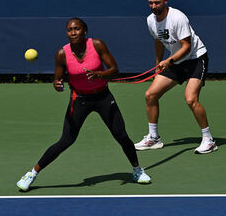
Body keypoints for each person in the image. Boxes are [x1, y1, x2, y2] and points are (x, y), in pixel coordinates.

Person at [17, 17, 151, 191]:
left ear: (85, 31)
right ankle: (31, 174)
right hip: (80, 100)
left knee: (121, 135)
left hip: (103, 97)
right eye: (70, 30)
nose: (73, 33)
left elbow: (114, 70)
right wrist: (57, 85)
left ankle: (137, 171)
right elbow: (58, 79)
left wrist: (100, 75)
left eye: (77, 29)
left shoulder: (97, 45)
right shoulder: (62, 54)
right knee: (66, 140)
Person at [134, 0, 218, 154]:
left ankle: (209, 140)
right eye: (150, 3)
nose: (153, 6)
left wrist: (169, 60)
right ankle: (153, 138)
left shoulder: (178, 18)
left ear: (165, 1)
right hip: (175, 61)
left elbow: (186, 47)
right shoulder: (151, 20)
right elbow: (158, 41)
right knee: (150, 95)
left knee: (190, 99)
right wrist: (158, 63)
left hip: (195, 59)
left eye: (157, 2)